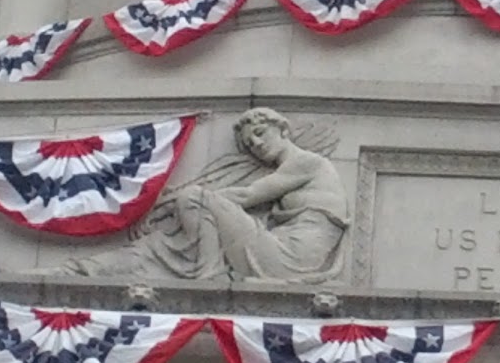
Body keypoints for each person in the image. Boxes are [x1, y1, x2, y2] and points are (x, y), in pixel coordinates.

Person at [60, 108, 350, 282]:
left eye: (262, 132)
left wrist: (178, 200)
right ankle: (87, 268)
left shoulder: (306, 162)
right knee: (167, 241)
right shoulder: (290, 168)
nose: (257, 144)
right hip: (284, 249)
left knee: (194, 199)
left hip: (291, 258)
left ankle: (209, 276)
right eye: (250, 143)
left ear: (283, 128)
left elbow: (248, 194)